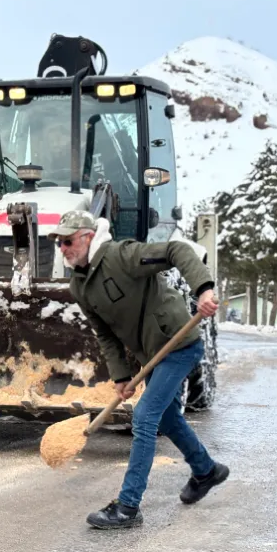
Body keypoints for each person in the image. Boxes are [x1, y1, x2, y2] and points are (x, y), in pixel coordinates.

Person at [52, 210, 229, 529]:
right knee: (166, 416)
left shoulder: (123, 256)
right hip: (150, 354)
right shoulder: (79, 286)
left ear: (88, 237)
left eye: (67, 241)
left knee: (145, 416)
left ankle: (128, 506)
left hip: (178, 344)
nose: (62, 248)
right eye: (58, 242)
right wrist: (120, 376)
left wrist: (203, 289)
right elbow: (104, 333)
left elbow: (178, 250)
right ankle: (206, 471)